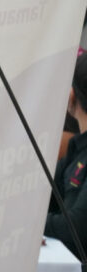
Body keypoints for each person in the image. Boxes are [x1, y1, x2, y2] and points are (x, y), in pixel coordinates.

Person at [45, 52, 87, 254]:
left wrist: (31, 225)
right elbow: (42, 197)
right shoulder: (77, 149)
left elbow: (77, 228)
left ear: (71, 96)